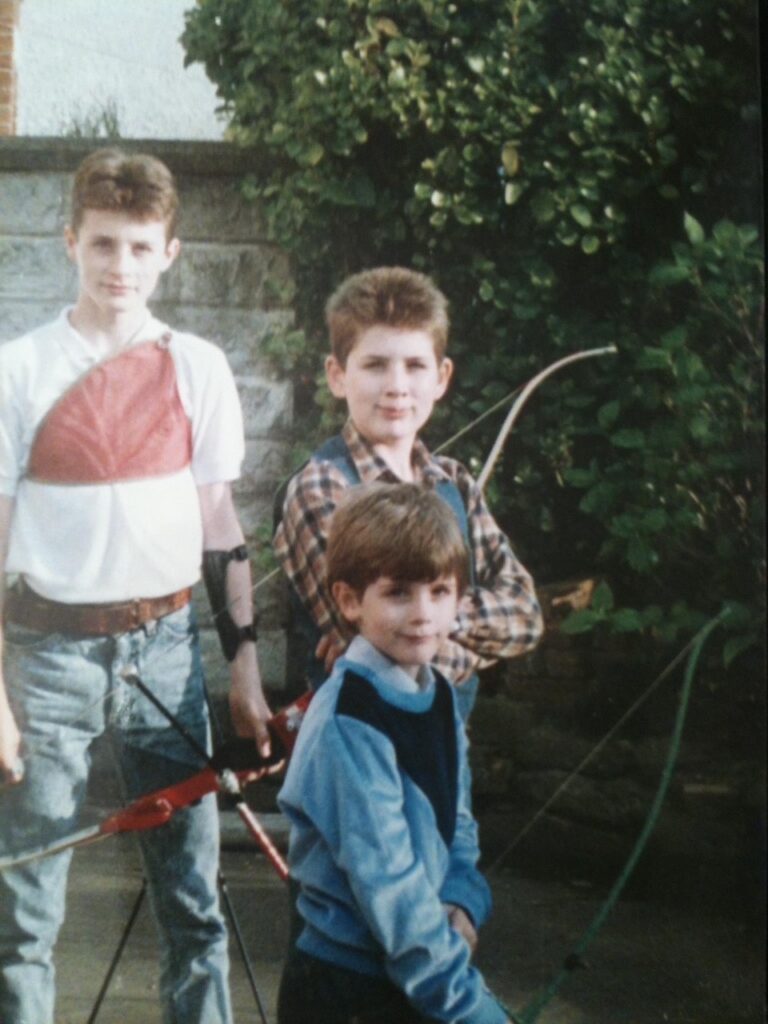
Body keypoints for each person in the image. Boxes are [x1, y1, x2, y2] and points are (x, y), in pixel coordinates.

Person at [0, 148, 271, 1024]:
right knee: (26, 911)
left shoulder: (198, 366)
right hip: (46, 660)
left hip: (166, 655)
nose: (121, 266)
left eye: (140, 247)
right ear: (70, 240)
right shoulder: (17, 369)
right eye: (105, 244)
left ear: (170, 254)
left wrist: (243, 671)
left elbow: (221, 529)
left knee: (193, 901)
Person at [277, 482, 513, 1024]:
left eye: (439, 590)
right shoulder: (348, 719)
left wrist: (462, 899)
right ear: (349, 600)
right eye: (399, 592)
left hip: (418, 968)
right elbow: (388, 883)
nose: (423, 614)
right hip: (347, 985)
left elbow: (458, 822)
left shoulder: (440, 694)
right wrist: (467, 1006)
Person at [273, 265, 542, 718]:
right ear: (338, 375)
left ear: (441, 377)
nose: (397, 387)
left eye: (415, 366)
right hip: (361, 749)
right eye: (375, 365)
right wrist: (475, 646)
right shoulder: (324, 487)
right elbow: (384, 655)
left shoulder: (453, 481)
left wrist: (444, 621)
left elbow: (527, 613)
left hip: (447, 748)